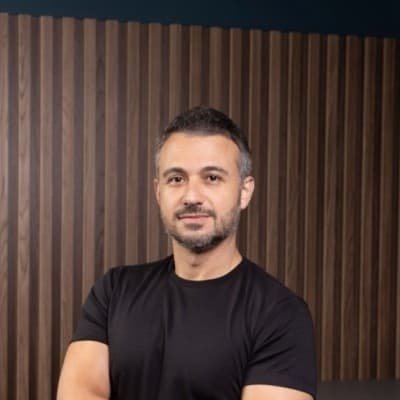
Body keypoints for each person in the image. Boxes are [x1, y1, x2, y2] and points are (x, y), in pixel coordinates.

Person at [57, 106, 317, 400]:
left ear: (244, 191)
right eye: (177, 179)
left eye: (212, 178)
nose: (192, 196)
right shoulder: (114, 292)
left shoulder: (280, 314)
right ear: (159, 192)